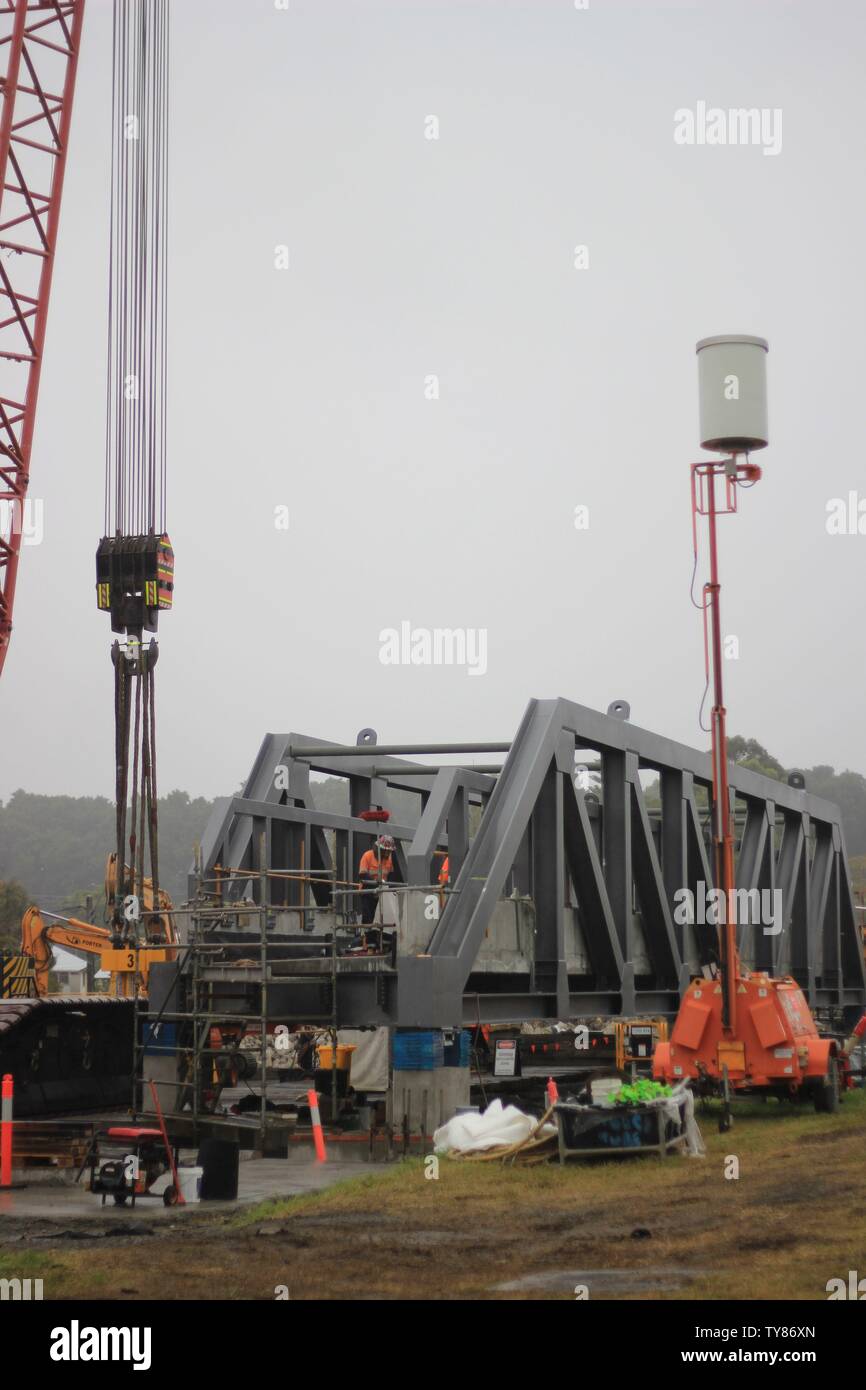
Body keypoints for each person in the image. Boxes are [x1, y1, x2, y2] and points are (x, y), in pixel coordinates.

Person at [358, 835, 395, 926]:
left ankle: (380, 935)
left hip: (382, 891)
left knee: (382, 916)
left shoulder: (389, 859)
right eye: (386, 851)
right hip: (368, 891)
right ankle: (368, 936)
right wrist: (376, 883)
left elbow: (391, 874)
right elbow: (362, 875)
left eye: (389, 851)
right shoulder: (368, 856)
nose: (388, 854)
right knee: (368, 915)